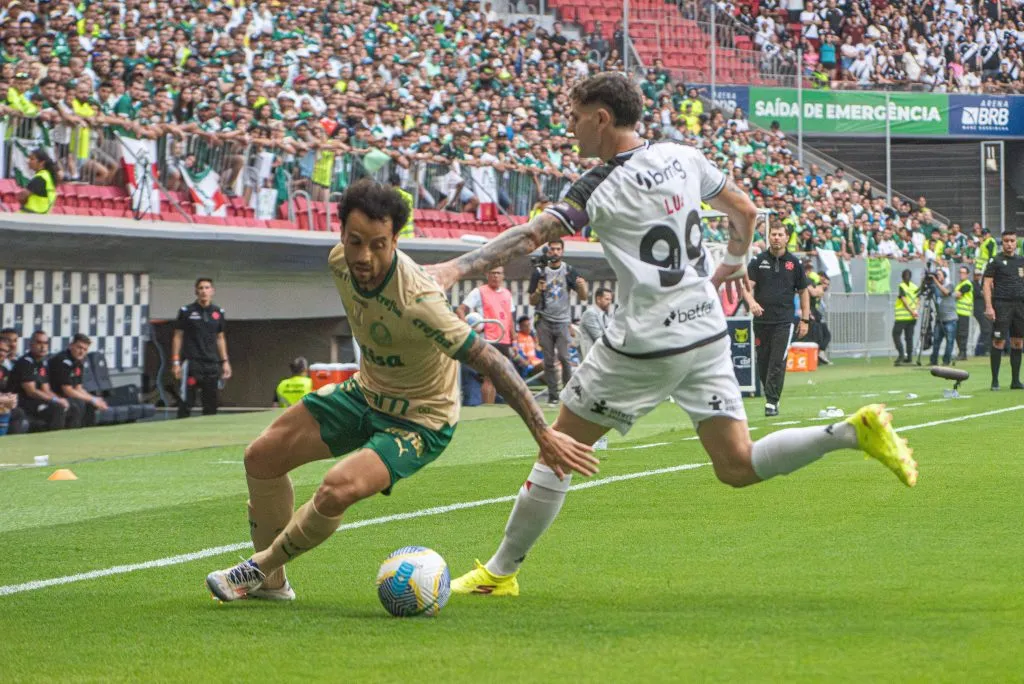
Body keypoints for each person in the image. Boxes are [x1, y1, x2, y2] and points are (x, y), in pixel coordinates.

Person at [425, 72, 917, 597]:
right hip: (705, 329)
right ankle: (848, 434)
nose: (569, 129)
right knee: (736, 464)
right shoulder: (686, 156)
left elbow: (531, 236)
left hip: (645, 343)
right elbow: (746, 212)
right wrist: (728, 264)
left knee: (557, 450)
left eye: (573, 117)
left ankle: (499, 574)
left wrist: (454, 270)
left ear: (601, 118)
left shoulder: (597, 186)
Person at [204, 179, 593, 602]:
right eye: (355, 241)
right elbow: (477, 258)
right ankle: (272, 585)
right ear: (341, 236)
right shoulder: (339, 262)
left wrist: (543, 432)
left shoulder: (419, 301)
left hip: (420, 420)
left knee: (337, 487)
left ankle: (258, 567)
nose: (364, 256)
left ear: (395, 241)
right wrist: (544, 226)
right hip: (365, 393)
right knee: (260, 457)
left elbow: (492, 361)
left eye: (378, 244)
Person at [743, 221, 810, 417]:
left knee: (777, 361)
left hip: (784, 321)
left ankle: (771, 401)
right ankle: (770, 394)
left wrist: (805, 320)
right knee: (763, 362)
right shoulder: (758, 261)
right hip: (762, 321)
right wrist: (751, 302)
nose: (776, 238)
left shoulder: (795, 264)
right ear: (769, 237)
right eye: (773, 234)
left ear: (786, 237)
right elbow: (745, 287)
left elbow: (804, 291)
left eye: (780, 234)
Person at [529, 238, 588, 405]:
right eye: (552, 249)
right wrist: (539, 291)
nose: (554, 252)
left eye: (557, 249)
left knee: (564, 357)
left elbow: (583, 296)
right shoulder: (539, 272)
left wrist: (582, 286)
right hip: (544, 320)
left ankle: (567, 394)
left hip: (562, 321)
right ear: (548, 252)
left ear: (562, 251)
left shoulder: (569, 271)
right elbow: (532, 301)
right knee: (548, 360)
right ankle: (553, 396)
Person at [172, 278, 231, 418]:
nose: (204, 291)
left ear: (212, 291)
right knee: (187, 401)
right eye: (201, 288)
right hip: (192, 363)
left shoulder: (218, 312)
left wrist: (225, 361)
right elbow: (177, 336)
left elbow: (220, 338)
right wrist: (175, 362)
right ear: (196, 291)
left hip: (211, 364)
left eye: (207, 288)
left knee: (211, 403)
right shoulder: (186, 311)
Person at [456, 266, 515, 404]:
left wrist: (514, 336)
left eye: (498, 273)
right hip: (488, 339)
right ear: (487, 275)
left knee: (499, 377)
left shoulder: (507, 293)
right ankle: (487, 407)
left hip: (504, 339)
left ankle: (493, 405)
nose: (495, 276)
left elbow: (509, 316)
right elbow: (460, 310)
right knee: (489, 376)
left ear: (503, 276)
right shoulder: (479, 291)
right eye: (493, 273)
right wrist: (467, 329)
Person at [982, 231, 1024, 390]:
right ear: (1002, 242)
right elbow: (986, 284)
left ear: (1016, 243)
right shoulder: (996, 260)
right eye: (1006, 241)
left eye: (1012, 241)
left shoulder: (1021, 260)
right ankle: (995, 381)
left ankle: (1015, 381)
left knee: (1018, 342)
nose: (1009, 244)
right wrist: (988, 306)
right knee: (999, 341)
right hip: (1001, 304)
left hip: (1020, 305)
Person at [9, 330, 68, 432]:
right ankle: (54, 439)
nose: (43, 346)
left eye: (45, 343)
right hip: (21, 402)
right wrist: (55, 400)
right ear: (31, 344)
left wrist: (59, 399)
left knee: (69, 406)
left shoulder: (42, 363)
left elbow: (46, 389)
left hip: (35, 401)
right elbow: (31, 392)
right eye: (39, 343)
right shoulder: (25, 362)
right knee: (56, 408)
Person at [49, 333, 109, 428]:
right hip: (53, 396)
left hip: (66, 396)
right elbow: (67, 390)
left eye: (85, 349)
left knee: (89, 404)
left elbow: (78, 388)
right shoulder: (63, 361)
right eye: (79, 347)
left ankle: (87, 433)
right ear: (71, 345)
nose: (82, 352)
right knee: (77, 405)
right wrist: (92, 399)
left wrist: (94, 399)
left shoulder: (78, 362)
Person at [928, 269, 958, 367]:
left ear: (944, 276)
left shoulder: (950, 285)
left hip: (950, 319)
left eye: (939, 275)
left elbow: (945, 292)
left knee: (949, 341)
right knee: (936, 341)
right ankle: (933, 360)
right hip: (939, 319)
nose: (937, 276)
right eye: (936, 275)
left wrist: (935, 281)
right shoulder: (935, 286)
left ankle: (946, 361)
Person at [18, 149, 58, 215]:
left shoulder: (39, 178)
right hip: (41, 216)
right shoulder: (48, 177)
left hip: (28, 217)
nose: (29, 161)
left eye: (32, 159)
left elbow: (22, 197)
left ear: (42, 162)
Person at [892, 269, 919, 365]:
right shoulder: (915, 287)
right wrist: (915, 311)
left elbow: (904, 301)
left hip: (902, 317)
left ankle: (901, 354)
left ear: (902, 277)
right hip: (912, 318)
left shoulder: (902, 286)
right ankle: (909, 357)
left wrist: (911, 311)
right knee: (909, 337)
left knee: (896, 335)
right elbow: (918, 299)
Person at [579, 287, 613, 361]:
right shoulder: (590, 313)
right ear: (598, 299)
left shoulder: (604, 315)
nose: (609, 302)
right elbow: (599, 337)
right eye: (607, 299)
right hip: (591, 356)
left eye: (610, 299)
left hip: (599, 353)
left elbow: (611, 331)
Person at [954, 266, 974, 362]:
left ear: (967, 274)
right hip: (957, 312)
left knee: (962, 333)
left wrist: (952, 294)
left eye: (963, 272)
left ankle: (963, 353)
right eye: (960, 272)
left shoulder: (967, 284)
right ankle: (961, 352)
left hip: (964, 313)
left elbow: (957, 295)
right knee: (957, 333)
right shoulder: (959, 284)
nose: (961, 274)